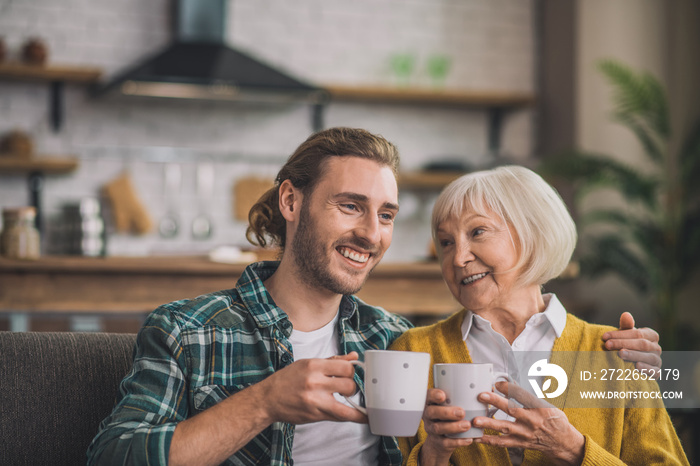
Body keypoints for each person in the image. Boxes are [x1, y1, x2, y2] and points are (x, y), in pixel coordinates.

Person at [87, 129, 663, 466]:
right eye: (350, 206)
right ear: (291, 202)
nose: (371, 233)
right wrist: (263, 402)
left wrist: (643, 372)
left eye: (385, 214)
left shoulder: (396, 342)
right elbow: (113, 456)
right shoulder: (188, 329)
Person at [389, 165, 688, 465]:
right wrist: (433, 455)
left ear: (532, 234)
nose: (457, 257)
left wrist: (574, 450)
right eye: (446, 242)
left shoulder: (616, 353)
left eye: (477, 232)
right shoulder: (413, 352)